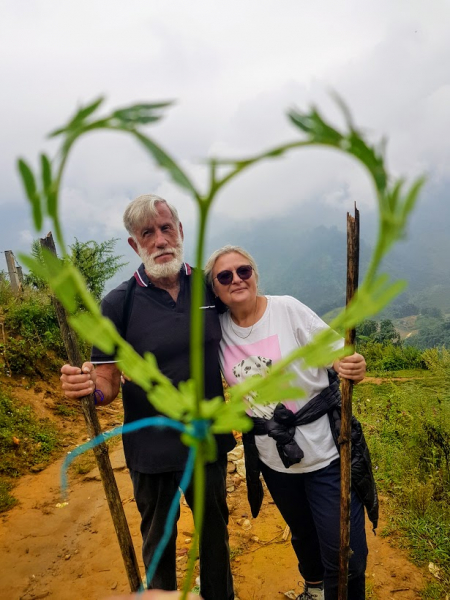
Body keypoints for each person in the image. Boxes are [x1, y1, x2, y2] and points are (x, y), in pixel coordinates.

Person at [60, 195, 235, 600]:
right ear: (134, 245)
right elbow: (106, 380)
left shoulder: (210, 286)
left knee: (215, 538)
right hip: (150, 451)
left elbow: (248, 320)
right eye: (147, 233)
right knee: (159, 545)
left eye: (165, 228)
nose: (160, 240)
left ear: (180, 231)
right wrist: (88, 387)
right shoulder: (119, 303)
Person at [204, 245, 378, 600]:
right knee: (303, 534)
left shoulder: (287, 309)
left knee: (347, 554)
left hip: (326, 454)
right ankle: (314, 590)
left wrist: (352, 365)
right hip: (275, 462)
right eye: (225, 276)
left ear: (255, 275)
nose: (237, 279)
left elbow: (338, 355)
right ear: (216, 290)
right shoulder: (216, 332)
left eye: (244, 271)